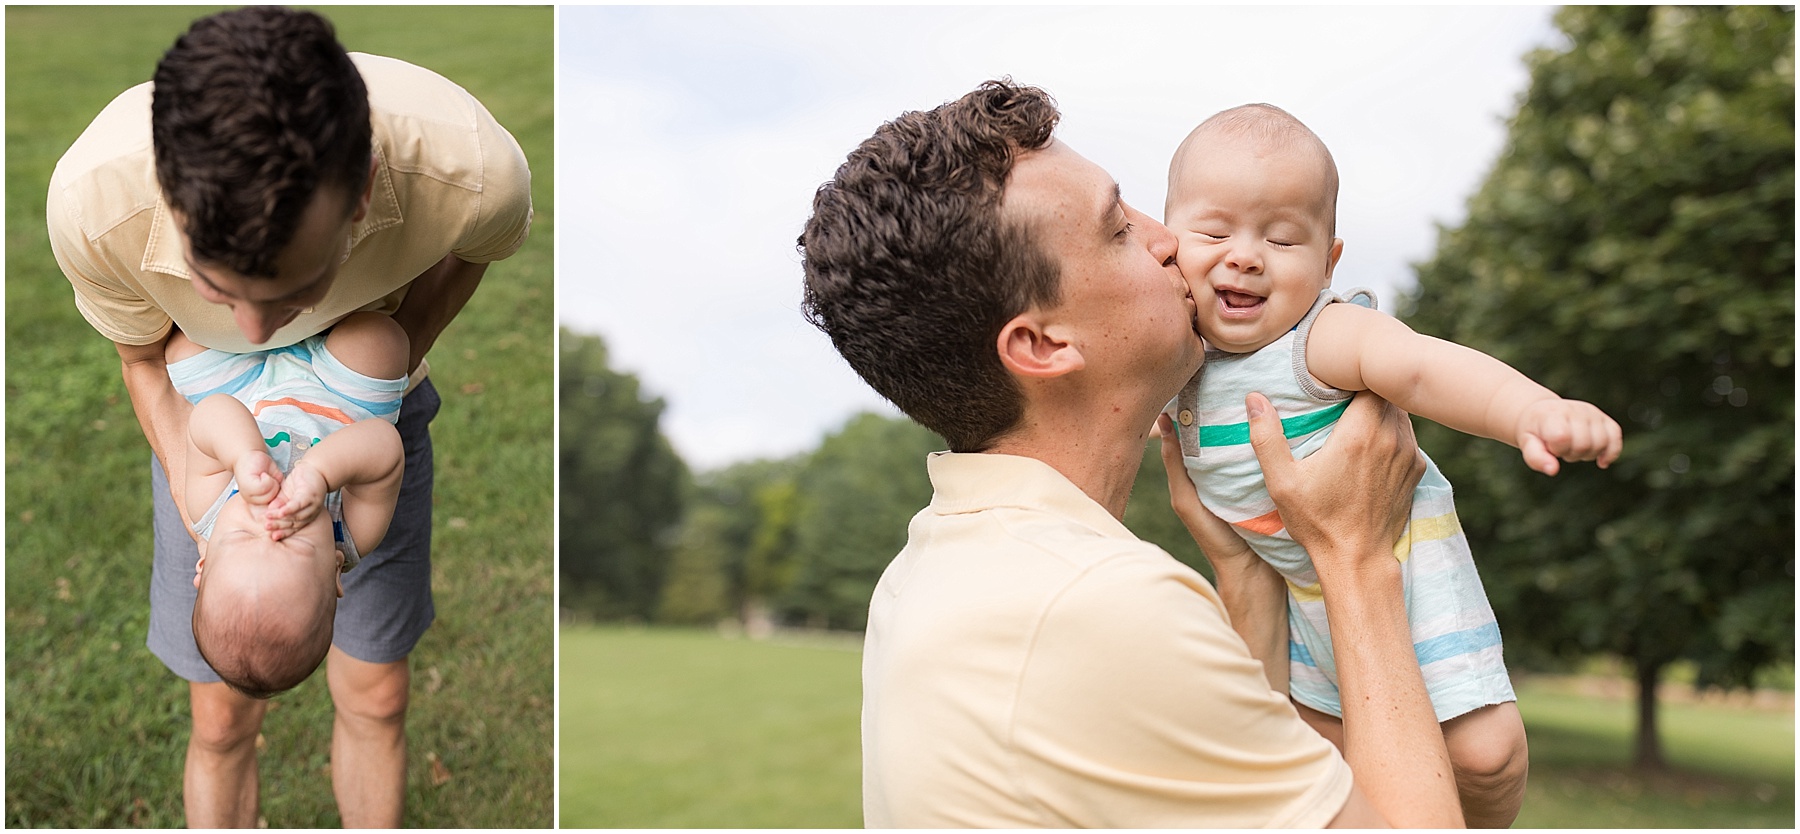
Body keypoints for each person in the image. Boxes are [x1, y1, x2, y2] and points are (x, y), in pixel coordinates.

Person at [800, 79, 1462, 826]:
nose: (1171, 241)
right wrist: (1354, 556)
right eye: (1119, 229)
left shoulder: (942, 567)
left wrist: (1245, 572)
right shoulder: (1097, 604)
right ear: (1044, 345)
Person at [46, 6, 532, 827]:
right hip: (217, 425)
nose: (259, 334)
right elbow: (145, 366)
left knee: (377, 695)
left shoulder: (475, 172)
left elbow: (471, 257)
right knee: (222, 711)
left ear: (364, 194)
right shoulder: (96, 206)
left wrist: (389, 363)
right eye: (217, 290)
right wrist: (234, 492)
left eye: (296, 290)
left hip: (300, 410)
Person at [1161, 104, 1622, 826]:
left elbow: (1422, 370)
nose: (1245, 254)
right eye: (1214, 232)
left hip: (1403, 563)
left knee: (1483, 752)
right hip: (1298, 591)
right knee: (1334, 777)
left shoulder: (1319, 338)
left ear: (1327, 263)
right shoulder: (1174, 350)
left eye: (1283, 238)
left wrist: (1532, 410)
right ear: (1167, 242)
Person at [176, 312, 408, 700]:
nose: (272, 520)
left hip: (244, 386)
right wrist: (320, 474)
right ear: (335, 569)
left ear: (204, 561)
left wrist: (242, 454)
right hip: (340, 396)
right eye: (295, 543)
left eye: (243, 536)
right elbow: (384, 449)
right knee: (380, 340)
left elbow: (208, 417)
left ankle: (255, 329)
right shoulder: (352, 534)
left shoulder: (207, 512)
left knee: (183, 347)